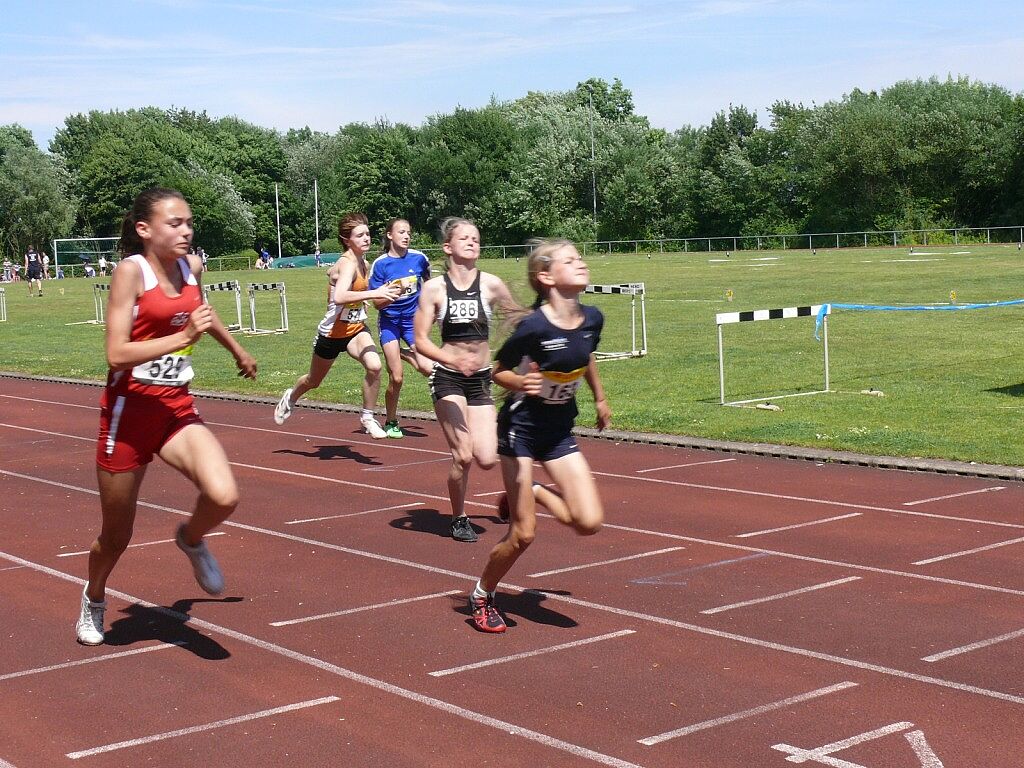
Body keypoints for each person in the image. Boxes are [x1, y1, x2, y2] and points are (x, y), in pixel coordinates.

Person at [75, 187, 257, 646]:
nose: (186, 230)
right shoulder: (129, 273)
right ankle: (94, 596)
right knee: (116, 536)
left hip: (175, 407)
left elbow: (201, 313)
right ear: (144, 229)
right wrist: (181, 339)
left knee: (224, 495)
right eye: (174, 223)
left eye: (188, 222)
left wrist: (236, 348)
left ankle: (190, 538)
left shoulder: (190, 267)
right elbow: (116, 353)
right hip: (128, 417)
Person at [468, 238, 611, 633]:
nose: (580, 263)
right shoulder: (533, 327)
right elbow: (498, 371)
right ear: (546, 277)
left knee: (588, 522)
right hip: (521, 433)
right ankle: (482, 594)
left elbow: (585, 354)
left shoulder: (593, 318)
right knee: (523, 534)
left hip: (558, 431)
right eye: (570, 260)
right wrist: (522, 383)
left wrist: (600, 398)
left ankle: (533, 491)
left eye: (580, 258)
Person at [414, 217, 518, 542]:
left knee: (486, 458)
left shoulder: (492, 284)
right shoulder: (434, 289)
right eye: (465, 238)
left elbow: (518, 320)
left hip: (481, 380)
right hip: (448, 378)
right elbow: (420, 340)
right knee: (463, 454)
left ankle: (510, 496)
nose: (473, 242)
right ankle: (459, 517)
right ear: (448, 247)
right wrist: (452, 359)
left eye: (476, 238)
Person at [273, 213, 399, 437]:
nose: (366, 238)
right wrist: (374, 293)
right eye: (359, 235)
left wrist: (372, 298)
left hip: (355, 329)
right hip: (332, 333)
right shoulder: (347, 264)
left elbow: (344, 283)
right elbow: (340, 296)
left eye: (367, 234)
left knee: (375, 366)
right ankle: (290, 397)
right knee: (313, 381)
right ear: (346, 240)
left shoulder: (364, 263)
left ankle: (368, 417)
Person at [368, 218, 433, 438]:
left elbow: (430, 286)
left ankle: (401, 353)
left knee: (428, 368)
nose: (406, 236)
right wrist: (394, 291)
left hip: (412, 322)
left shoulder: (419, 258)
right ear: (390, 235)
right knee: (396, 378)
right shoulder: (380, 264)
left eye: (409, 232)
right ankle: (391, 421)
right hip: (390, 323)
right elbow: (377, 304)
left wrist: (431, 311)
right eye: (401, 232)